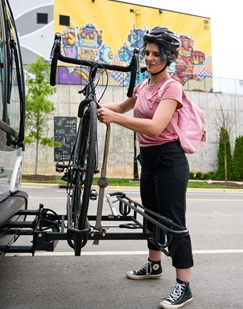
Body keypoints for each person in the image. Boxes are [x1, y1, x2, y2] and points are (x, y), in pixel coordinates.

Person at [96, 26, 194, 309]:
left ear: (168, 57)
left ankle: (184, 286)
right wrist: (97, 105)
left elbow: (155, 126)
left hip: (170, 161)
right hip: (149, 160)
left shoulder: (171, 87)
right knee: (151, 217)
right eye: (146, 52)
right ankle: (154, 265)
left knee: (173, 223)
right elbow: (123, 106)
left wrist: (114, 118)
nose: (149, 58)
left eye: (155, 54)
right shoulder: (143, 85)